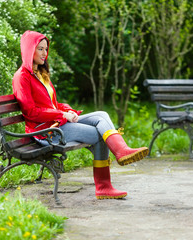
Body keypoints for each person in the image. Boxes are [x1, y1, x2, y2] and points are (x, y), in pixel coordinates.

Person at [12, 30, 148, 199]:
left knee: (101, 115)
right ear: (29, 49)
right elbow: (31, 112)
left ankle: (122, 150)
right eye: (40, 49)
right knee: (100, 135)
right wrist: (62, 115)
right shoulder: (22, 77)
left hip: (56, 124)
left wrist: (67, 110)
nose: (44, 53)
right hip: (44, 132)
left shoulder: (41, 74)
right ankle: (104, 186)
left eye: (46, 49)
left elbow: (53, 104)